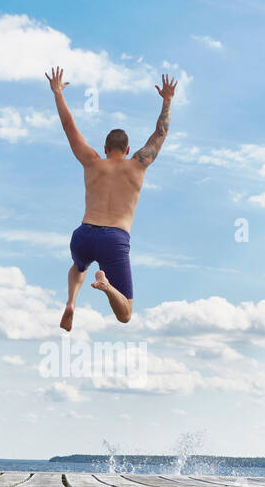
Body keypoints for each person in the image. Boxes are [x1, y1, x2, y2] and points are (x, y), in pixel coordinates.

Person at [46, 66, 176, 331]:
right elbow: (160, 133)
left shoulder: (93, 162)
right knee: (125, 313)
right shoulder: (137, 164)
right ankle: (106, 287)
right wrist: (167, 100)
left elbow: (69, 126)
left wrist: (58, 92)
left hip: (83, 234)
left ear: (105, 149)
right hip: (113, 240)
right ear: (128, 149)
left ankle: (71, 301)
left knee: (78, 267)